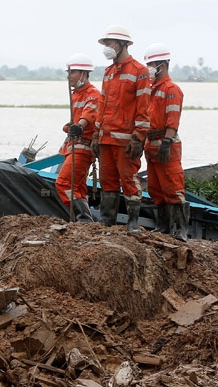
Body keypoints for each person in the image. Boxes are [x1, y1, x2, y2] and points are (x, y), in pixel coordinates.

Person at [91, 25, 150, 232]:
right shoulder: (108, 73)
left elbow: (144, 107)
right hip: (106, 138)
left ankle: (133, 222)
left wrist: (138, 137)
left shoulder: (139, 71)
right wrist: (96, 135)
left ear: (123, 44)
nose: (106, 48)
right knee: (108, 181)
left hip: (126, 140)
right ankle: (108, 220)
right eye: (105, 44)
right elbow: (102, 105)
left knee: (129, 180)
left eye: (109, 43)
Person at [142, 43, 188, 241]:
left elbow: (172, 119)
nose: (150, 68)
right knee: (155, 188)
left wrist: (167, 142)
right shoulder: (151, 90)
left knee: (172, 186)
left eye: (152, 64)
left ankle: (180, 229)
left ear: (163, 64)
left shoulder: (171, 89)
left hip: (165, 143)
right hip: (151, 144)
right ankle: (163, 226)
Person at [56, 53, 100, 222]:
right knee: (78, 187)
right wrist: (70, 126)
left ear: (83, 73)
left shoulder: (93, 94)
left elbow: (89, 114)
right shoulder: (76, 94)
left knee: (64, 183)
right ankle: (83, 220)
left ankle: (83, 218)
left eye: (72, 73)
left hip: (83, 147)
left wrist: (78, 126)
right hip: (73, 146)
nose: (69, 77)